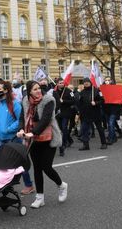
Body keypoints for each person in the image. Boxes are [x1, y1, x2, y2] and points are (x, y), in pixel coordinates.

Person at [17, 81, 67, 209]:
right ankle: (40, 197)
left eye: (39, 88)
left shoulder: (48, 100)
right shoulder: (25, 100)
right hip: (33, 139)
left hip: (48, 137)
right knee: (37, 168)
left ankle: (61, 185)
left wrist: (32, 132)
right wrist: (21, 129)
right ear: (29, 92)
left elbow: (46, 120)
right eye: (35, 89)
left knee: (46, 166)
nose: (38, 91)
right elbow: (22, 117)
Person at [77, 79, 107, 150]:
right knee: (84, 130)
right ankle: (86, 145)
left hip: (96, 113)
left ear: (90, 83)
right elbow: (80, 103)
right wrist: (79, 112)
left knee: (100, 129)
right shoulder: (82, 92)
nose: (86, 83)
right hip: (86, 114)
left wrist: (96, 103)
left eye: (87, 82)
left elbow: (103, 100)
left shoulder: (97, 90)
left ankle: (104, 143)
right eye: (85, 82)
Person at [52, 78, 75, 156]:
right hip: (58, 113)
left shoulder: (68, 91)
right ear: (57, 84)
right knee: (60, 129)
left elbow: (73, 100)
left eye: (62, 83)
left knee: (64, 127)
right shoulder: (54, 92)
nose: (61, 84)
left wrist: (64, 101)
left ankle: (64, 143)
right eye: (60, 83)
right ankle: (70, 140)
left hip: (66, 112)